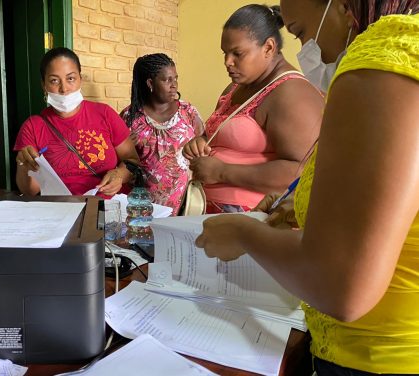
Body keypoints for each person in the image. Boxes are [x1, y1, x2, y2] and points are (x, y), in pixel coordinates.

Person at [195, 0, 419, 374]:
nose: (307, 51)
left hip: (379, 355)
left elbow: (342, 286)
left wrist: (243, 233)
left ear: (343, 7)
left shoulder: (385, 57)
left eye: (299, 32)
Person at [182, 4, 324, 214]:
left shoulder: (291, 92)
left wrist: (223, 172)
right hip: (210, 213)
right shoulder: (236, 87)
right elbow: (217, 135)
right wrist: (200, 142)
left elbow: (302, 171)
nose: (227, 62)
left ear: (268, 47)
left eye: (237, 54)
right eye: (225, 53)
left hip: (253, 222)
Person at [14, 47, 139, 197]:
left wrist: (119, 174)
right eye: (54, 80)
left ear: (80, 79)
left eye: (70, 78)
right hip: (62, 211)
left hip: (110, 208)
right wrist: (23, 165)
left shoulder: (104, 114)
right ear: (44, 85)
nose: (64, 88)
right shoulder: (33, 127)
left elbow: (133, 161)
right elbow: (29, 191)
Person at [120, 53, 204, 214]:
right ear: (150, 83)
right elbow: (119, 160)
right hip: (141, 208)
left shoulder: (188, 113)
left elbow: (204, 146)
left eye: (175, 79)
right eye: (167, 80)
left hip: (184, 206)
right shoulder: (130, 118)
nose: (174, 85)